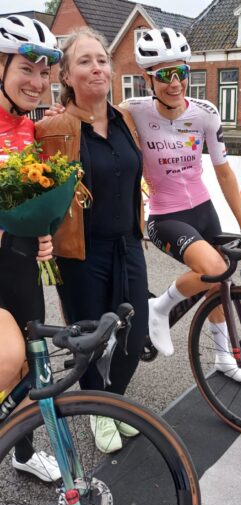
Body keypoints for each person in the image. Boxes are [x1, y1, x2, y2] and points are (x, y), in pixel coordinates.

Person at [121, 28, 241, 383]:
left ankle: (223, 357)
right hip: (164, 215)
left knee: (216, 283)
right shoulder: (133, 111)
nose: (174, 83)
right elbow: (92, 116)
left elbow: (223, 172)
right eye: (164, 76)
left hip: (204, 210)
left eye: (181, 73)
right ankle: (158, 308)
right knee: (216, 267)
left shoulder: (205, 112)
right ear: (149, 79)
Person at [36, 27, 148, 453]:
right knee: (88, 338)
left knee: (134, 334)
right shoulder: (53, 129)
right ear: (66, 75)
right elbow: (37, 191)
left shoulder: (126, 121)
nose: (96, 67)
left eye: (101, 60)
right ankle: (97, 411)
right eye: (84, 61)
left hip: (128, 243)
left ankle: (112, 401)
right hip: (80, 253)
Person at [0, 15, 61, 482]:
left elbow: (23, 195)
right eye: (27, 68)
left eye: (44, 72)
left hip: (18, 262)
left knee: (30, 359)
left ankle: (21, 450)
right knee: (6, 358)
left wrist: (40, 229)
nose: (38, 82)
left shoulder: (27, 126)